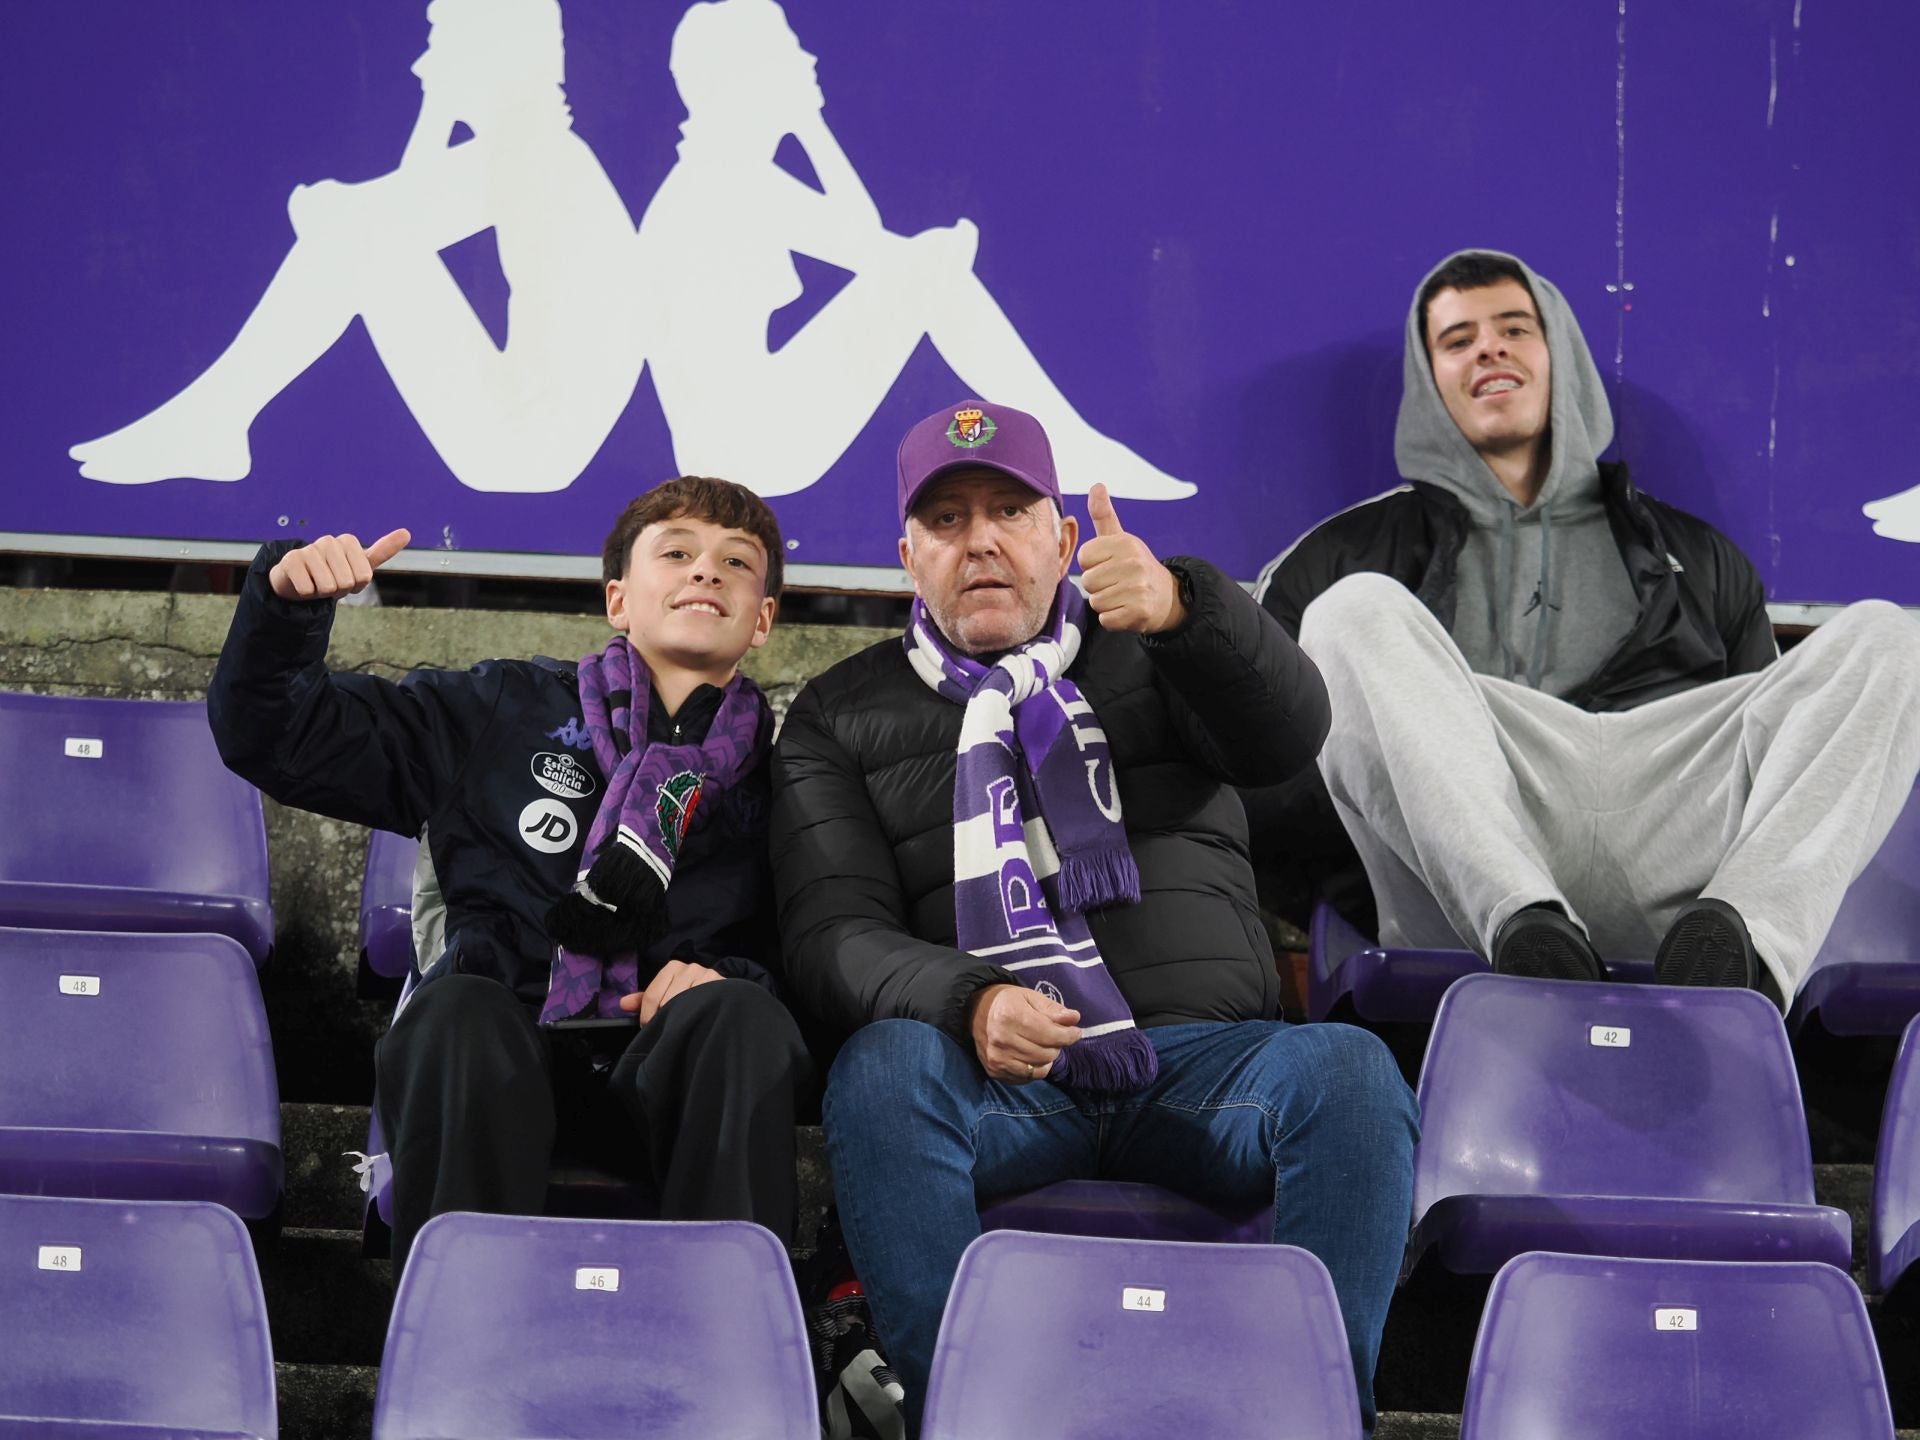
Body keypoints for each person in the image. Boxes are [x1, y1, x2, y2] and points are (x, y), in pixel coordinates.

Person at [771, 398, 1419, 1433]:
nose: (979, 540)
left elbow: (1289, 740)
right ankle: (960, 1413)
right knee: (881, 1072)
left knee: (1349, 1075)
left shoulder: (1156, 641)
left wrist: (1189, 613)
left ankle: (1318, 1411)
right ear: (908, 557)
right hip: (1003, 1081)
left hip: (1202, 1066)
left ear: (1063, 538)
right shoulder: (838, 714)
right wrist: (970, 1001)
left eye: (1009, 512)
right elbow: (830, 932)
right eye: (945, 521)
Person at [1254, 248, 1920, 1003]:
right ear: (1428, 380)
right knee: (1351, 609)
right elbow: (1267, 776)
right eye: (1458, 339)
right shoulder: (1342, 554)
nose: (1489, 350)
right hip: (1461, 859)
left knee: (1890, 637)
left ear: (1559, 353)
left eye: (1513, 328)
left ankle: (1746, 946)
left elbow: (1781, 756)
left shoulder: (1700, 560)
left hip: (1669, 815)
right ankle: (1525, 927)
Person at [208, 476, 810, 1270]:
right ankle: (456, 1356)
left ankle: (731, 1353)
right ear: (619, 600)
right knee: (456, 1012)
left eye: (736, 563)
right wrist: (285, 613)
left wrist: (728, 981)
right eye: (677, 553)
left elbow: (813, 951)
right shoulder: (501, 708)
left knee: (740, 1021)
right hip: (502, 1057)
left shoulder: (794, 775)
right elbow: (278, 739)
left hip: (675, 1078)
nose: (706, 572)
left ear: (762, 618)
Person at [71, 0, 644, 494]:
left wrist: (438, 105)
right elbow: (394, 209)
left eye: (439, 48)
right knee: (359, 232)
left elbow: (365, 215)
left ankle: (213, 422)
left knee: (354, 234)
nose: (422, 66)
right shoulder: (535, 152)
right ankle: (213, 420)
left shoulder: (530, 156)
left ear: (489, 56)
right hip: (528, 440)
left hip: (524, 446)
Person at [636, 0, 1192, 500]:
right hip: (749, 447)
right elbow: (871, 248)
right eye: (788, 51)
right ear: (746, 78)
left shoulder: (726, 175)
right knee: (929, 266)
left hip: (739, 445)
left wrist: (808, 124)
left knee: (927, 264)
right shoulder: (724, 184)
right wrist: (937, 258)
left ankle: (1069, 446)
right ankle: (1069, 451)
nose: (808, 60)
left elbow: (862, 232)